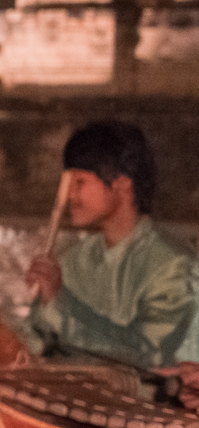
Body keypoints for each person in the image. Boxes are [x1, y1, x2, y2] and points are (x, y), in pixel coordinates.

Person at [25, 121, 189, 369]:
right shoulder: (74, 260)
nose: (70, 196)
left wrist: (60, 305)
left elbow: (150, 356)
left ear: (122, 184)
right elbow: (39, 342)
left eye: (80, 182)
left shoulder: (173, 264)